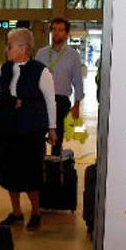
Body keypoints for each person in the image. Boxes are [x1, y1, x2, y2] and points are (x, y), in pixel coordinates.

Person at [0, 28, 57, 230]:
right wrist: (8, 104)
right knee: (10, 174)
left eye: (9, 46)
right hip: (9, 131)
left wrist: (52, 128)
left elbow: (50, 101)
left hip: (31, 132)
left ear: (23, 48)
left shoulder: (40, 71)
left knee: (30, 174)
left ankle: (36, 212)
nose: (6, 50)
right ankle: (16, 212)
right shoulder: (5, 69)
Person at [34, 17, 84, 155]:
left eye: (60, 30)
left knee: (57, 136)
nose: (56, 33)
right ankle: (40, 166)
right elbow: (34, 78)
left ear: (66, 34)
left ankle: (55, 168)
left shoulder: (73, 55)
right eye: (54, 29)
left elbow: (78, 81)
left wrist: (77, 104)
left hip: (61, 101)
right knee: (39, 136)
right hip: (42, 100)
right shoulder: (41, 53)